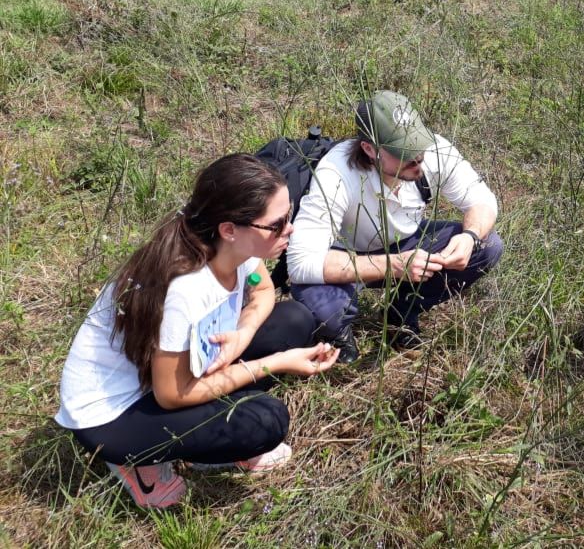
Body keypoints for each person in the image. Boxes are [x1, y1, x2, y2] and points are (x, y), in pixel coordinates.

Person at [55, 154, 340, 509]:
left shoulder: (233, 247)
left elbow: (264, 291)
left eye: (290, 215)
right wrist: (274, 362)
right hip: (115, 412)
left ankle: (209, 436)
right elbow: (172, 395)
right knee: (266, 421)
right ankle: (139, 462)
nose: (290, 229)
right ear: (229, 229)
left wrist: (242, 335)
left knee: (295, 318)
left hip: (173, 367)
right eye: (277, 224)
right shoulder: (184, 289)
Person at [287, 90, 503, 358]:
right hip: (343, 256)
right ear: (369, 149)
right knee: (326, 310)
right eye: (403, 152)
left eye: (418, 145)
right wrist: (393, 265)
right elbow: (300, 264)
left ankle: (400, 316)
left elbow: (482, 200)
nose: (417, 158)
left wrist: (470, 236)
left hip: (407, 244)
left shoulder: (435, 152)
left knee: (488, 245)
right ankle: (337, 336)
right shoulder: (336, 173)